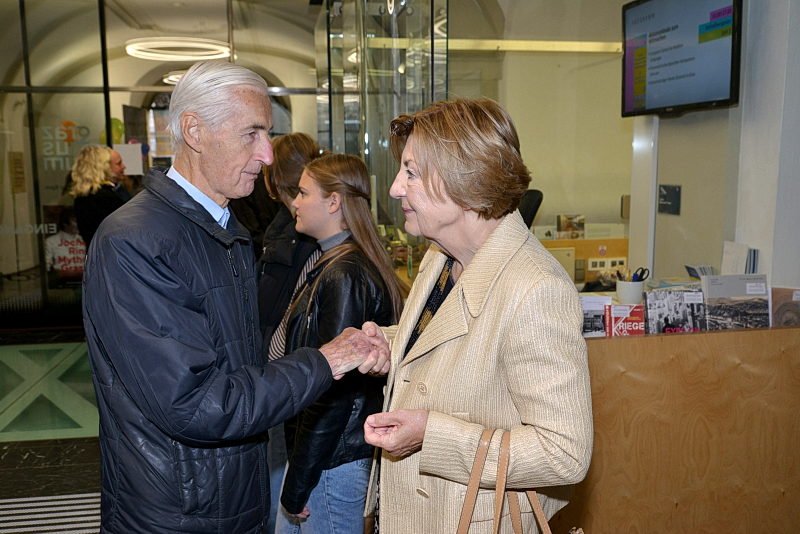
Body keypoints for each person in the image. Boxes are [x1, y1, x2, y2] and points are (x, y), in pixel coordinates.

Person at [82, 60, 390, 534]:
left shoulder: (224, 229)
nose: (266, 154)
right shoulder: (135, 240)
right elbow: (196, 403)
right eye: (251, 134)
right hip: (180, 511)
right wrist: (324, 360)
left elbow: (240, 367)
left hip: (231, 491)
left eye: (268, 134)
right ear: (194, 131)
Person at [362, 98, 594, 533]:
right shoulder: (440, 255)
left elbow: (564, 453)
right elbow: (452, 341)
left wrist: (432, 435)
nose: (395, 188)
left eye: (411, 172)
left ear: (464, 179)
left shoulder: (535, 289)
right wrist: (390, 346)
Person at [275, 154, 405, 534]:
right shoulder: (333, 263)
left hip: (330, 462)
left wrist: (299, 479)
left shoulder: (344, 273)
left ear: (333, 202)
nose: (295, 202)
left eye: (303, 193)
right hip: (324, 458)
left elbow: (332, 390)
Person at [258, 132, 325, 533]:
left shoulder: (293, 234)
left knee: (280, 464)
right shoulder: (291, 230)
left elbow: (276, 311)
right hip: (291, 368)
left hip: (287, 369)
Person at [70, 145, 127, 246]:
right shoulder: (105, 198)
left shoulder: (83, 195)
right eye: (119, 163)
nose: (124, 167)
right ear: (104, 167)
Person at [44, 209, 86, 287]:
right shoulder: (51, 241)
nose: (79, 224)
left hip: (84, 283)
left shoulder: (83, 239)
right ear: (65, 224)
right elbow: (47, 267)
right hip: (61, 284)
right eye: (75, 221)